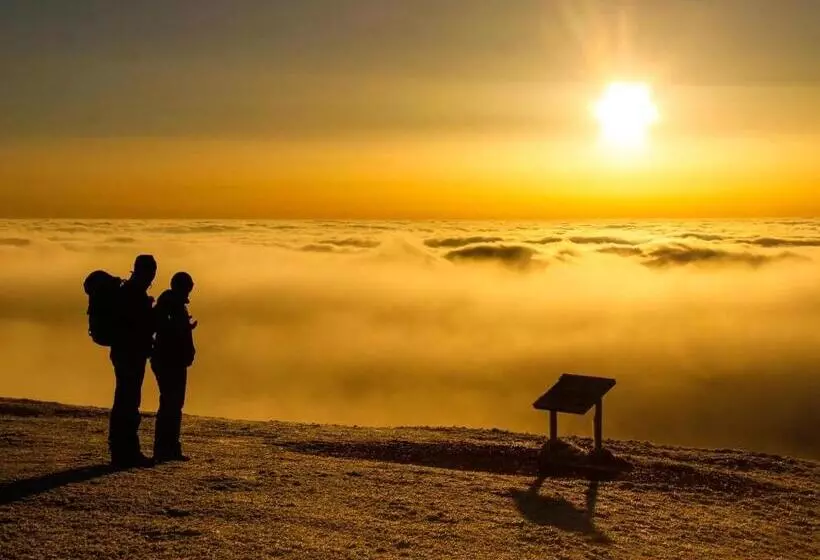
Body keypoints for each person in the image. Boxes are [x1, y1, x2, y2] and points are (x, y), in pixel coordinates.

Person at [109, 254, 157, 468]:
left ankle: (122, 450)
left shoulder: (129, 292)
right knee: (128, 401)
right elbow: (138, 326)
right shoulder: (134, 295)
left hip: (126, 353)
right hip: (130, 354)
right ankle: (126, 451)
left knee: (125, 399)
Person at [151, 271, 197, 462]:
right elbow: (167, 331)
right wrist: (184, 329)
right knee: (171, 403)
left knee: (173, 404)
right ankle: (166, 448)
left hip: (172, 360)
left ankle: (169, 446)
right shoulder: (171, 305)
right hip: (170, 361)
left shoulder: (171, 303)